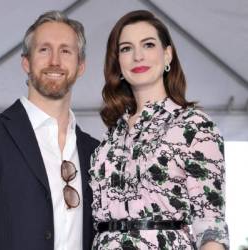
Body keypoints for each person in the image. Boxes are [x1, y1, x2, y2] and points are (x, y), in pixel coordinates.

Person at [0, 11, 99, 250]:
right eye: (44, 49)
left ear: (80, 66)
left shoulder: (95, 153)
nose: (55, 61)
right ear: (26, 63)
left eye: (65, 51)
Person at [89, 10, 229, 250]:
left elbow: (210, 224)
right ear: (118, 63)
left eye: (148, 44)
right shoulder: (109, 138)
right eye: (126, 48)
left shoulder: (195, 126)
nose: (138, 56)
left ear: (167, 55)